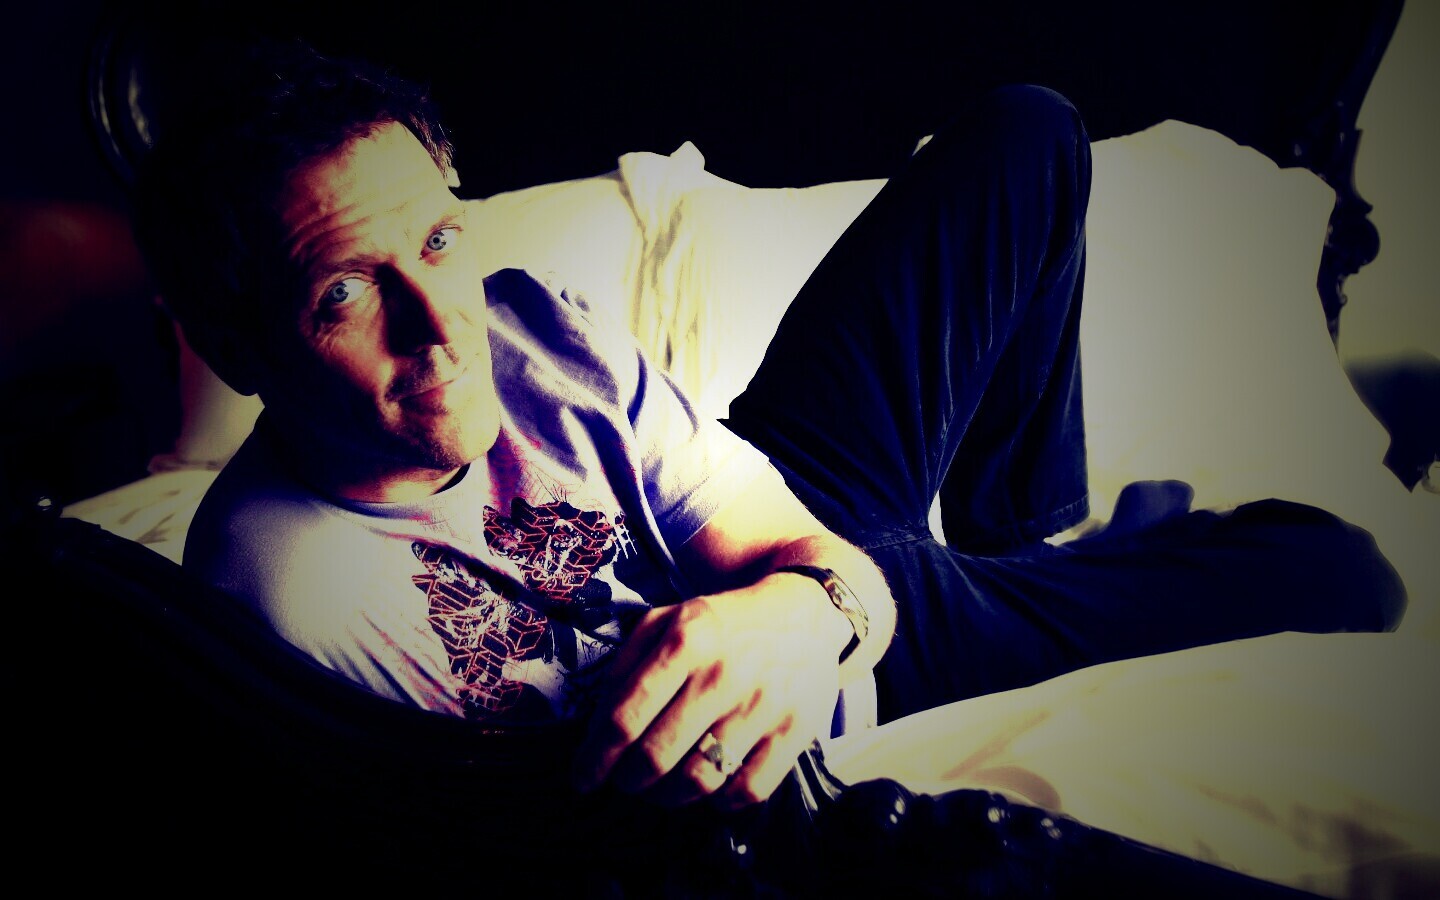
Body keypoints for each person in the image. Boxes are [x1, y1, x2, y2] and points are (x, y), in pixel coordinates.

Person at [130, 35, 1405, 816]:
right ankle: (1033, 582)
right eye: (343, 295)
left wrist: (806, 606)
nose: (439, 324)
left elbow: (783, 534)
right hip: (862, 681)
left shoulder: (525, 321)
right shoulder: (283, 599)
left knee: (1027, 132)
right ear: (240, 350)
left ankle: (1021, 537)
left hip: (800, 550)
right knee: (1340, 570)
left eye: (439, 240)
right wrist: (825, 619)